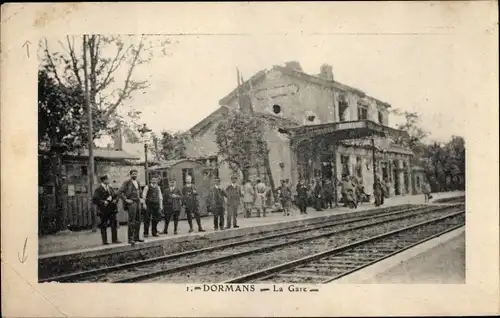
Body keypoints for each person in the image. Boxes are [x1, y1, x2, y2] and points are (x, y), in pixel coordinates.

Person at [118, 169, 144, 245]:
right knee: (131, 221)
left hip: (138, 202)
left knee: (138, 220)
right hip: (132, 203)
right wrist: (126, 200)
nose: (135, 175)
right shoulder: (127, 182)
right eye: (133, 174)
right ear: (130, 175)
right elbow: (119, 192)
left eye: (136, 174)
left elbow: (140, 191)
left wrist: (141, 198)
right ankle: (130, 239)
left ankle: (137, 237)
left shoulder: (138, 182)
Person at [93, 175, 120, 245]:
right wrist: (103, 202)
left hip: (112, 209)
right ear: (104, 180)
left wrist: (115, 200)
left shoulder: (110, 187)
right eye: (107, 179)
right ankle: (105, 241)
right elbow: (95, 199)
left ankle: (114, 239)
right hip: (103, 210)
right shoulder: (98, 189)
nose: (108, 181)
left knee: (113, 224)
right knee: (104, 225)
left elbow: (115, 196)